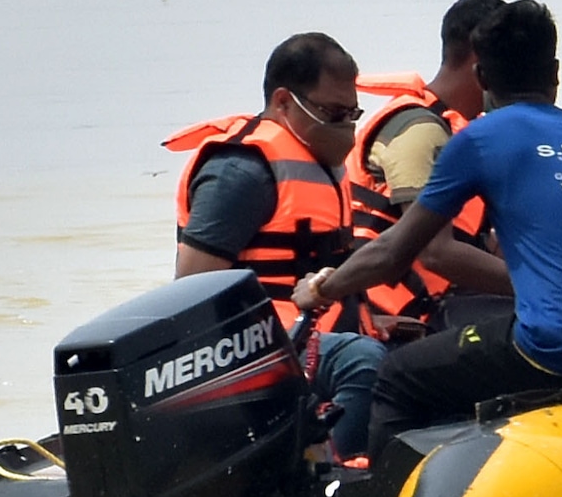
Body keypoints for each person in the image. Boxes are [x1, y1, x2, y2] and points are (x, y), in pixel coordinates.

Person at [295, 0, 562, 469]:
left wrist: (322, 287)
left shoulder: (480, 139)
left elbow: (397, 252)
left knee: (396, 376)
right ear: (555, 72)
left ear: (484, 80)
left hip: (561, 348)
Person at [161, 32, 406, 469]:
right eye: (333, 112)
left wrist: (374, 318)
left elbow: (314, 267)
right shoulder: (242, 172)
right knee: (362, 361)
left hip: (314, 336)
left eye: (353, 112)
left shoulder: (319, 164)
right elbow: (193, 293)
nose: (346, 125)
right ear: (283, 102)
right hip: (254, 348)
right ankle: (341, 480)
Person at [347, 0, 511, 330]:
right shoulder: (418, 129)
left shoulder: (462, 130)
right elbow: (435, 252)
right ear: (481, 61)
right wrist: (544, 287)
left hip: (445, 305)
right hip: (397, 316)